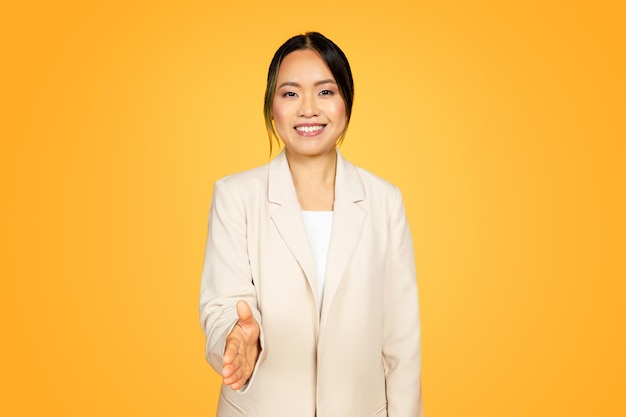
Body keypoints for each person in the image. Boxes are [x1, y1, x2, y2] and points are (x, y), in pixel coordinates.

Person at [199, 32, 423, 417]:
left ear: (346, 104)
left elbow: (401, 340)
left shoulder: (385, 201)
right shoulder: (235, 196)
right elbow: (222, 305)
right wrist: (236, 341)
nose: (308, 109)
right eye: (290, 94)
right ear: (272, 108)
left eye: (325, 92)